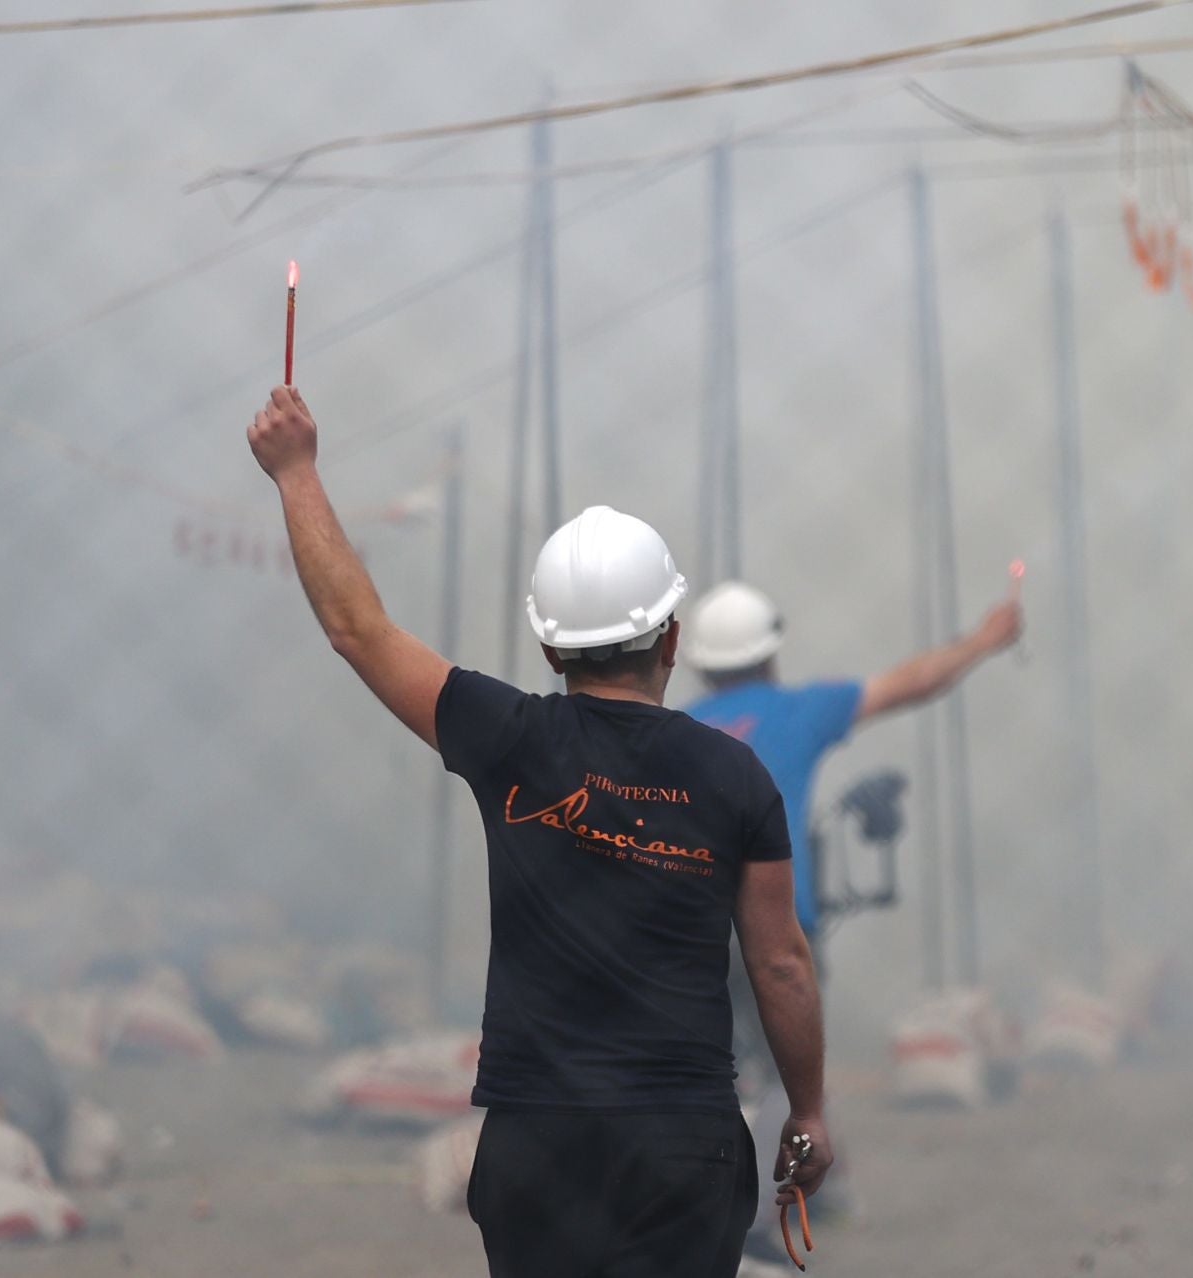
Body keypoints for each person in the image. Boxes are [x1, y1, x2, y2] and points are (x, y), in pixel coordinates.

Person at [248, 386, 831, 1278]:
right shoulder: (734, 776)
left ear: (553, 649)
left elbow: (356, 630)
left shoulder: (508, 738)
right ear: (670, 638)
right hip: (685, 1143)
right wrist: (809, 1111)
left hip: (538, 1141)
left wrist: (295, 473)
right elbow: (781, 961)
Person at [680, 576, 1021, 1254]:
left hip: (684, 924)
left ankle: (820, 1188)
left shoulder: (677, 729)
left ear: (697, 661)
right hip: (775, 920)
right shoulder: (800, 709)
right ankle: (754, 1221)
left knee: (717, 1067)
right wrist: (984, 639)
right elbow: (911, 682)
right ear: (770, 653)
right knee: (790, 1067)